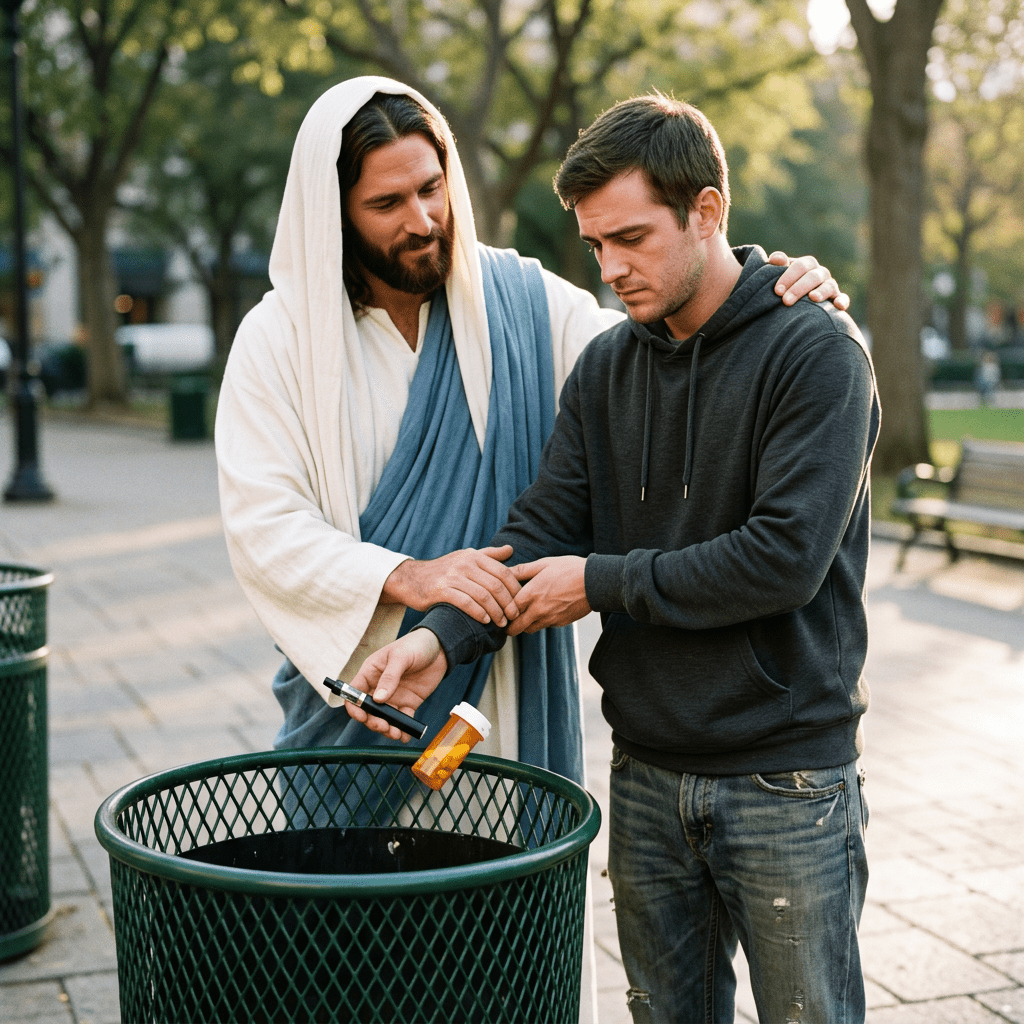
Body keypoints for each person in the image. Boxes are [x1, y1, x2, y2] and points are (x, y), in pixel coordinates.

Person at [351, 94, 880, 1024]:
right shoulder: (606, 367)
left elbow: (784, 559)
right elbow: (545, 526)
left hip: (787, 780)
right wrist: (440, 637)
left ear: (707, 211)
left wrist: (602, 583)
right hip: (644, 777)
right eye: (595, 244)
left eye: (630, 238)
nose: (611, 267)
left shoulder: (817, 352)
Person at [215, 77, 846, 788]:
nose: (422, 220)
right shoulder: (279, 339)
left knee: (496, 880)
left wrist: (772, 293)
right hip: (371, 677)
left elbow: (662, 341)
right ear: (334, 215)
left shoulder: (516, 300)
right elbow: (263, 525)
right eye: (386, 204)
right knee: (351, 891)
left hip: (499, 687)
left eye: (431, 188)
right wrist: (413, 578)